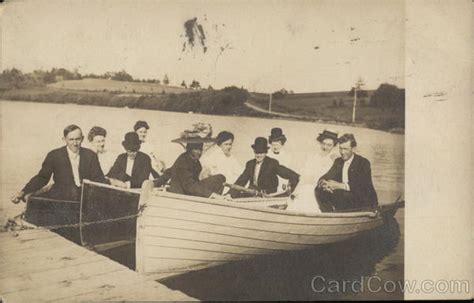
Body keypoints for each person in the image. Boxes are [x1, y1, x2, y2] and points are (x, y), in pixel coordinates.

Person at [11, 124, 108, 203]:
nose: (75, 143)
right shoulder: (54, 155)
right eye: (71, 139)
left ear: (82, 139)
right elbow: (42, 177)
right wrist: (23, 191)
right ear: (64, 139)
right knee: (32, 200)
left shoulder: (90, 155)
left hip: (84, 196)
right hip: (61, 196)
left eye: (78, 139)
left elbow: (98, 179)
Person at [316, 133, 378, 211]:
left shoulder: (363, 163)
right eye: (340, 148)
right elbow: (327, 176)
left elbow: (361, 186)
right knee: (318, 190)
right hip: (345, 197)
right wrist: (323, 183)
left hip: (363, 201)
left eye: (345, 149)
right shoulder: (338, 161)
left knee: (340, 193)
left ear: (353, 149)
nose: (342, 152)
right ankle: (330, 215)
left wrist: (339, 185)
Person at [229, 137, 300, 198]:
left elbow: (292, 175)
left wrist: (292, 189)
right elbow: (241, 181)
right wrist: (230, 194)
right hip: (253, 194)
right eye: (257, 152)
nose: (259, 155)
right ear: (254, 152)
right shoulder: (250, 164)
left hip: (268, 195)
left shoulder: (272, 163)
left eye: (261, 152)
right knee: (235, 197)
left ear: (265, 152)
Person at [288, 129, 339, 213]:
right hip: (309, 187)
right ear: (320, 142)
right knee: (304, 190)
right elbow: (305, 177)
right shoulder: (313, 157)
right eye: (323, 144)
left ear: (334, 146)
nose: (325, 147)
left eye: (329, 145)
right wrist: (295, 192)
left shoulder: (335, 160)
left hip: (323, 190)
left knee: (307, 190)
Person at [268, 128, 293, 193]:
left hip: (283, 186)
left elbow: (290, 173)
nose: (275, 147)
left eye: (277, 144)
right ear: (270, 143)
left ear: (282, 143)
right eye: (273, 145)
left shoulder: (287, 157)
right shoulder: (267, 155)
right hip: (269, 187)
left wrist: (289, 186)